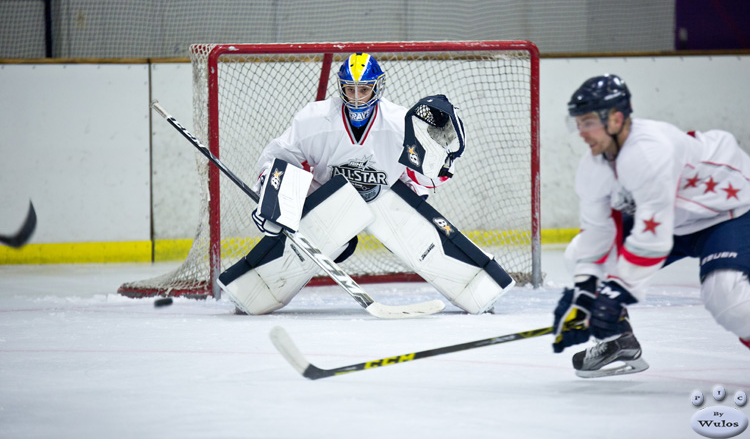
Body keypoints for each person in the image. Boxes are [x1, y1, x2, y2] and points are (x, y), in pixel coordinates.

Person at [217, 53, 515, 315]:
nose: (357, 97)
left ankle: (479, 286)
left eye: (364, 89)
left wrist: (438, 162)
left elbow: (423, 183)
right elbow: (276, 158)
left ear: (377, 87)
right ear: (341, 87)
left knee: (407, 215)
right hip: (327, 202)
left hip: (385, 202)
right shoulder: (315, 118)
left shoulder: (400, 123)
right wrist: (272, 200)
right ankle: (251, 289)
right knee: (294, 185)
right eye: (350, 89)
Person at [552, 74, 750, 378]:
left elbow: (651, 240)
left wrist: (617, 293)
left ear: (617, 119)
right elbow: (597, 235)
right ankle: (619, 340)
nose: (582, 132)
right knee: (578, 252)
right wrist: (586, 294)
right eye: (578, 123)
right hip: (676, 221)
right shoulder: (594, 165)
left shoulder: (650, 151)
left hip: (726, 212)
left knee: (727, 296)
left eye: (589, 122)